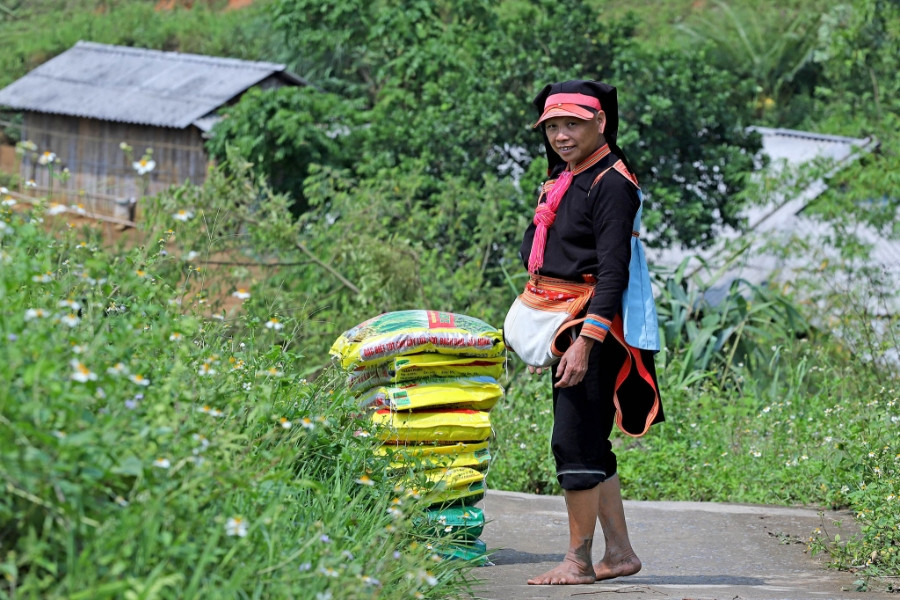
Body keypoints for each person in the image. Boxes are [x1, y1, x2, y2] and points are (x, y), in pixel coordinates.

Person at [517, 80, 664, 585]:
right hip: (565, 321)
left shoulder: (612, 184)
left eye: (572, 124)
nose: (560, 135)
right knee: (591, 444)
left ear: (600, 123)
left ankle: (578, 560)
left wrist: (585, 343)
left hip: (593, 330)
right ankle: (619, 554)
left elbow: (613, 271)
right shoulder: (567, 176)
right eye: (553, 126)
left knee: (574, 442)